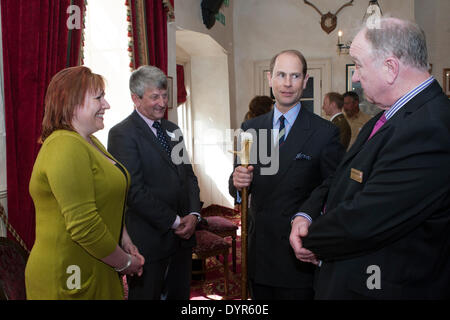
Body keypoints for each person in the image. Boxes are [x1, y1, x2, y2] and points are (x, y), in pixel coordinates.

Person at [290, 17, 450, 299]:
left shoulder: (431, 126)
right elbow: (341, 176)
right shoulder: (391, 116)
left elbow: (367, 218)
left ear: (390, 68)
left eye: (359, 65)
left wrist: (309, 237)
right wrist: (306, 213)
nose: (354, 77)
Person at [229, 49, 345, 300]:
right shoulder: (251, 127)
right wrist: (237, 183)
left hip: (296, 254)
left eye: (295, 76)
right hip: (258, 253)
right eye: (281, 75)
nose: (287, 83)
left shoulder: (324, 132)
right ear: (270, 78)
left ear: (305, 81)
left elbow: (333, 186)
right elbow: (237, 180)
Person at [25, 66, 145, 300]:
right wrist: (125, 263)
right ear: (71, 102)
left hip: (96, 264)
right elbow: (84, 225)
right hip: (69, 276)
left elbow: (107, 198)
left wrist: (124, 238)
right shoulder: (64, 145)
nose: (107, 105)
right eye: (98, 97)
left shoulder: (90, 142)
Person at [108, 65, 201, 300]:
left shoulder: (174, 130)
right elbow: (134, 191)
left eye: (164, 95)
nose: (162, 102)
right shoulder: (122, 134)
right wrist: (175, 221)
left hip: (183, 240)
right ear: (135, 99)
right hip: (149, 243)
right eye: (154, 97)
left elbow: (188, 176)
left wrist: (193, 214)